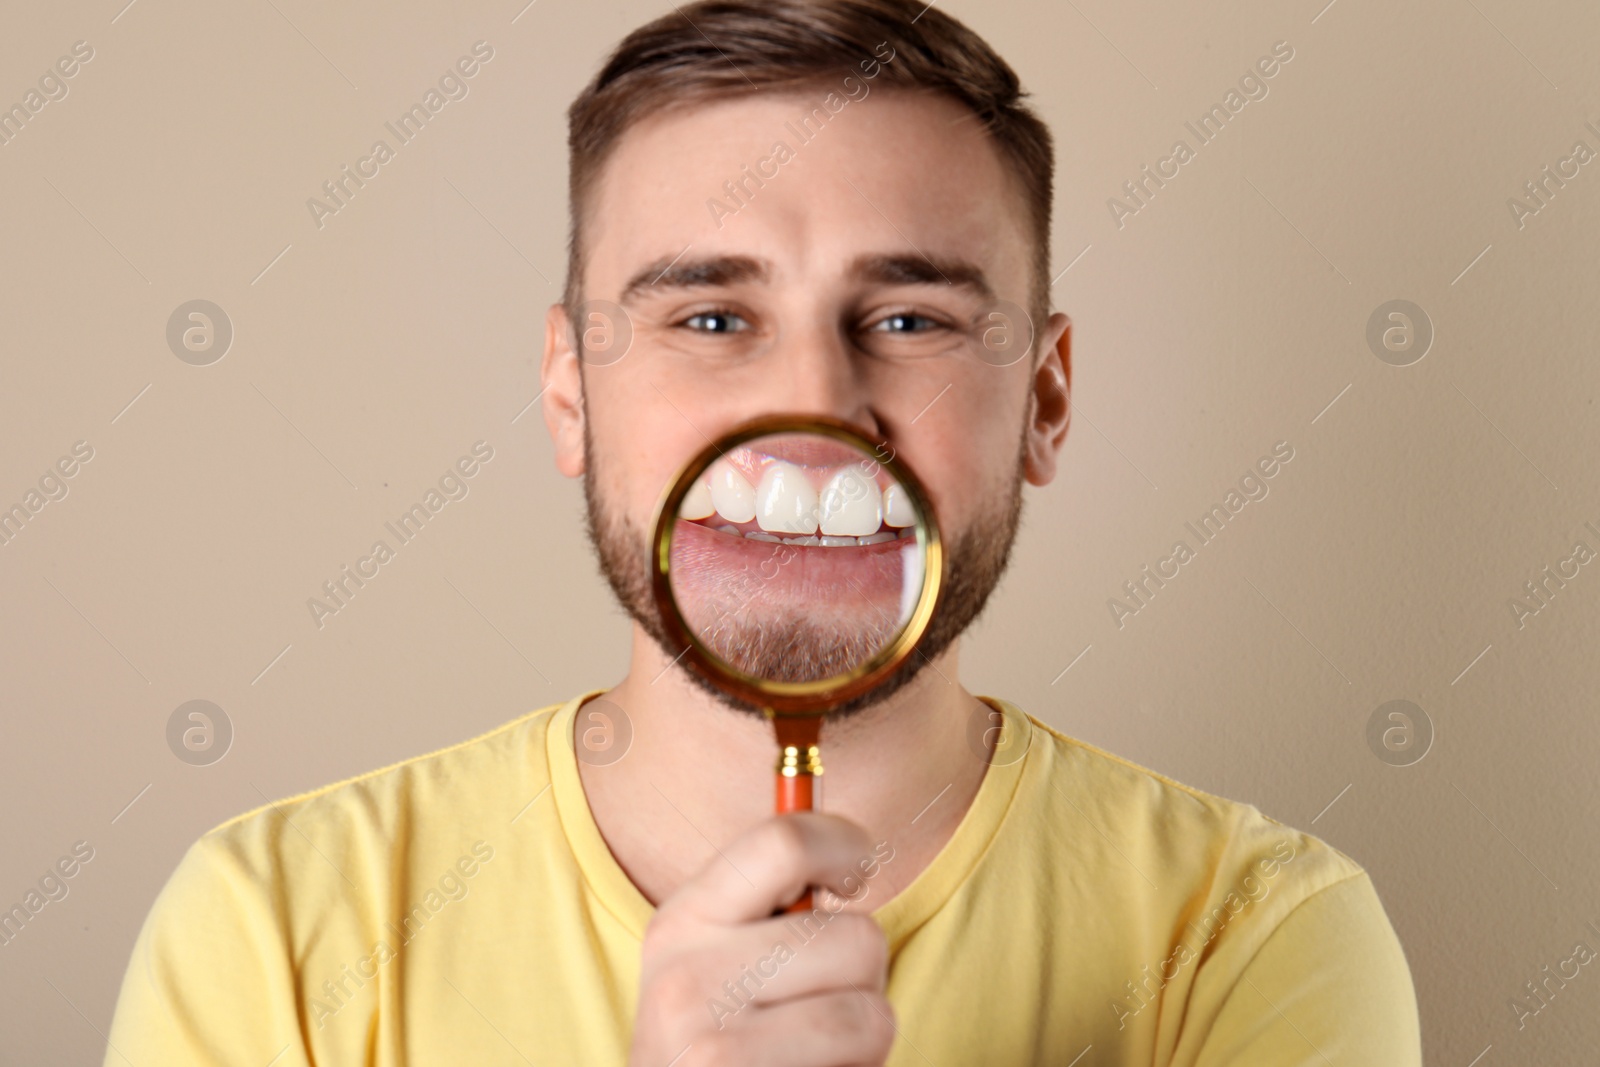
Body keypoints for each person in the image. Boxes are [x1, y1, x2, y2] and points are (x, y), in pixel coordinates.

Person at [104, 2, 1423, 1063]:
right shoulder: (273, 930)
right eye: (711, 318)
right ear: (571, 391)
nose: (811, 407)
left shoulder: (1250, 938)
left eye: (911, 319)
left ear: (1046, 399)